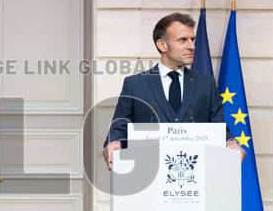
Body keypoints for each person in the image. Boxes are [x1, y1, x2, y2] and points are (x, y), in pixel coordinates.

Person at [103, 12, 243, 169]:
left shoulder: (206, 84)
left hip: (196, 178)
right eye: (183, 40)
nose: (192, 46)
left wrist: (231, 142)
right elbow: (119, 126)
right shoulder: (135, 85)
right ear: (162, 45)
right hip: (147, 177)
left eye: (192, 39)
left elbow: (219, 128)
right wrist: (113, 142)